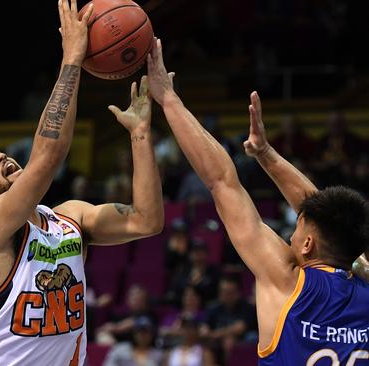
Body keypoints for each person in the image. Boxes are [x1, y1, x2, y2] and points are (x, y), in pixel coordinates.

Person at [0, 1, 164, 364]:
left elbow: (147, 220)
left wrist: (140, 135)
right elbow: (48, 157)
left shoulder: (69, 218)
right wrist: (72, 58)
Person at [145, 35, 369, 365]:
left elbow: (222, 182)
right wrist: (265, 153)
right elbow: (325, 211)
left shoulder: (287, 281)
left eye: (297, 225)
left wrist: (168, 100)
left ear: (307, 245)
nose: (291, 231)